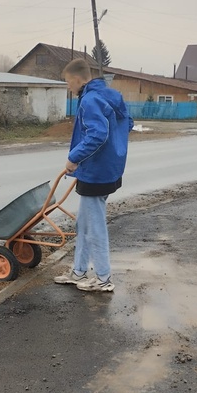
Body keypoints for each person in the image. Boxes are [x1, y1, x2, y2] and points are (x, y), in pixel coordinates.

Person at [54, 59, 132, 292]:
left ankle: (103, 278)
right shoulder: (111, 95)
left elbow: (97, 134)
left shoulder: (89, 100)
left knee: (94, 226)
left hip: (96, 173)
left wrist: (74, 158)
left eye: (68, 82)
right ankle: (78, 271)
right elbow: (127, 123)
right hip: (109, 169)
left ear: (78, 79)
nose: (68, 87)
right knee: (85, 223)